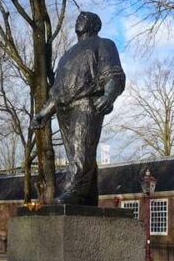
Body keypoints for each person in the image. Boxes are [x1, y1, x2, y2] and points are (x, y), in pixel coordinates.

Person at [31, 11, 125, 205]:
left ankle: (73, 191)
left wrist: (109, 95)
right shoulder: (66, 56)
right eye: (78, 18)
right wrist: (43, 113)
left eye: (85, 18)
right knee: (76, 154)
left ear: (95, 24)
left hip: (86, 103)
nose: (79, 19)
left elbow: (113, 74)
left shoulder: (104, 44)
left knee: (81, 150)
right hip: (64, 109)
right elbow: (57, 91)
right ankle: (87, 198)